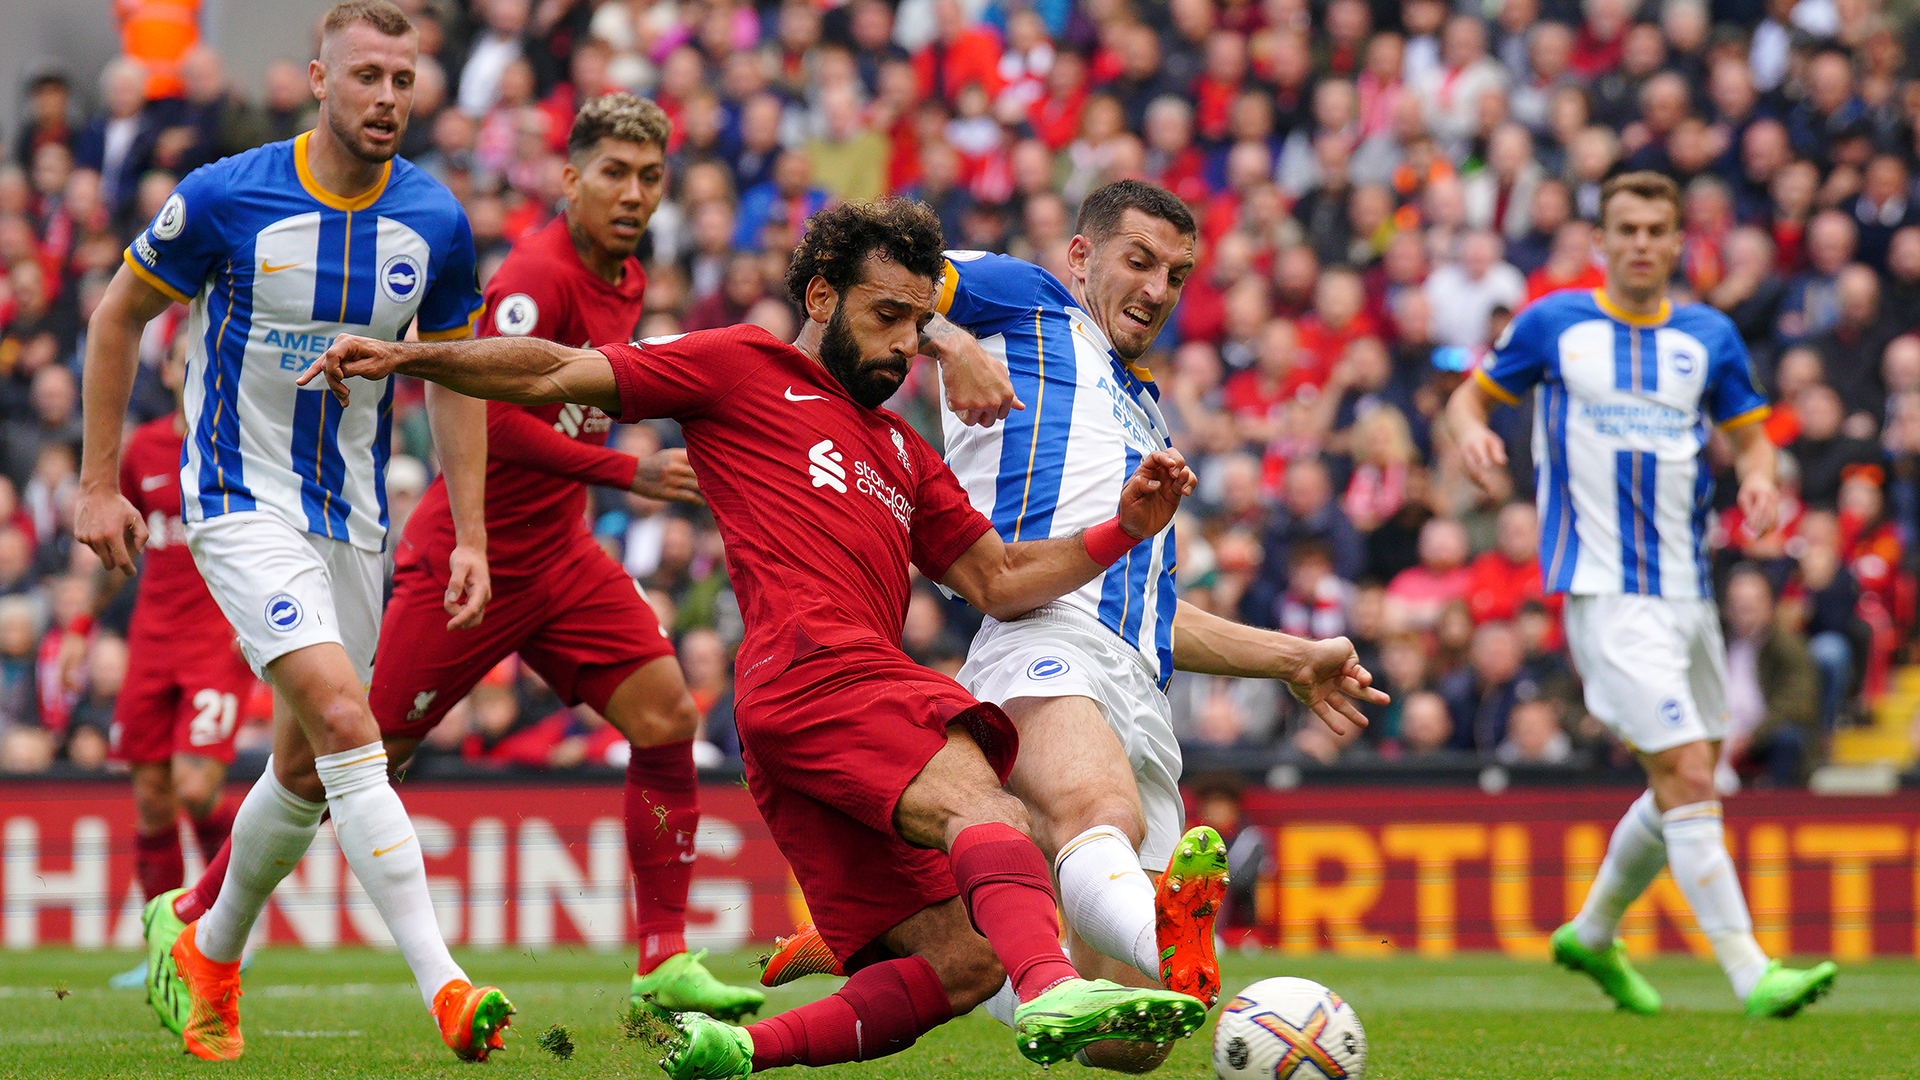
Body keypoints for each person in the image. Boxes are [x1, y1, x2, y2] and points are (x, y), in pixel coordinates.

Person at [302, 197, 1212, 1077]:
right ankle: (1053, 984)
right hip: (818, 670)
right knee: (995, 811)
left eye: (916, 325)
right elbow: (550, 372)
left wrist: (1124, 530)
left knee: (965, 962)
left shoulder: (902, 450)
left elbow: (1002, 580)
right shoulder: (740, 367)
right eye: (887, 317)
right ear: (821, 299)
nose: (905, 344)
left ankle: (737, 1051)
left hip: (801, 720)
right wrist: (408, 356)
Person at [157, 90, 766, 1022]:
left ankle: (661, 957)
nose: (634, 194)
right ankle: (195, 916)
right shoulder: (534, 278)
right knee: (345, 763)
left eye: (650, 177)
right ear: (570, 179)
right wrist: (626, 472)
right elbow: (488, 415)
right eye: (613, 174)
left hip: (560, 559)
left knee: (664, 715)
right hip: (465, 563)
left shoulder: (629, 275)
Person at [796, 179, 1382, 1074]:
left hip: (1136, 681)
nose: (1157, 287)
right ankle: (1175, 945)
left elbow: (1153, 615)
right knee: (1091, 812)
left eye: (1177, 274)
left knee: (1130, 1042)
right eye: (1139, 261)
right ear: (1081, 257)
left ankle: (912, 946)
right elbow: (879, 282)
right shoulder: (1026, 302)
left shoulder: (1143, 411)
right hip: (1040, 633)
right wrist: (950, 341)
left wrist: (1293, 657)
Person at [74, 1, 510, 1062]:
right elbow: (117, 316)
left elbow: (455, 377)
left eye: (404, 80)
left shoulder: (436, 221)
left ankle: (205, 949)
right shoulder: (228, 196)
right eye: (367, 76)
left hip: (353, 518)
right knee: (345, 718)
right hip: (234, 496)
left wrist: (470, 536)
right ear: (319, 80)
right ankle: (447, 987)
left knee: (310, 769)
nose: (388, 98)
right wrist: (96, 483)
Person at [1446, 170, 1837, 1018]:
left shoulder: (1709, 337)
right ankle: (1751, 973)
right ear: (1601, 240)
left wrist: (1764, 481)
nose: (1642, 244)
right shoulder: (1555, 323)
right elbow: (1467, 397)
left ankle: (1590, 933)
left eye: (1658, 229)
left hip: (1690, 596)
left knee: (1689, 780)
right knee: (1688, 770)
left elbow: (1752, 442)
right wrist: (1474, 430)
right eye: (1626, 228)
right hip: (1604, 591)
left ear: (1677, 242)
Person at [108, 342, 251, 918]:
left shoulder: (243, 445)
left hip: (218, 642)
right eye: (183, 360)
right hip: (151, 641)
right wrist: (78, 626)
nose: (194, 370)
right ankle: (162, 950)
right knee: (152, 801)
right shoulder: (143, 450)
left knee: (194, 789)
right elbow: (117, 544)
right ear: (166, 371)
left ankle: (224, 925)